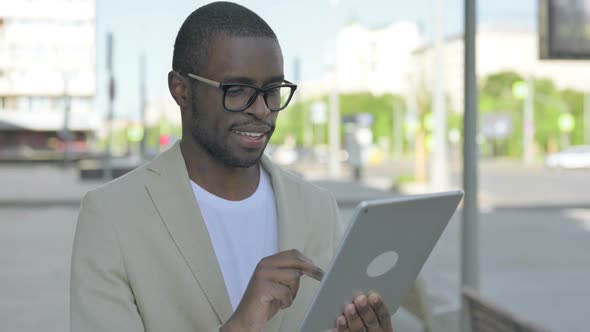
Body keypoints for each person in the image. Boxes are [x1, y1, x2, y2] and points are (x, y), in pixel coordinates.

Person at [70, 2, 394, 331]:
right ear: (181, 90)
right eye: (237, 91)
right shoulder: (111, 215)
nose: (262, 109)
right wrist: (241, 324)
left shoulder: (318, 207)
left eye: (272, 91)